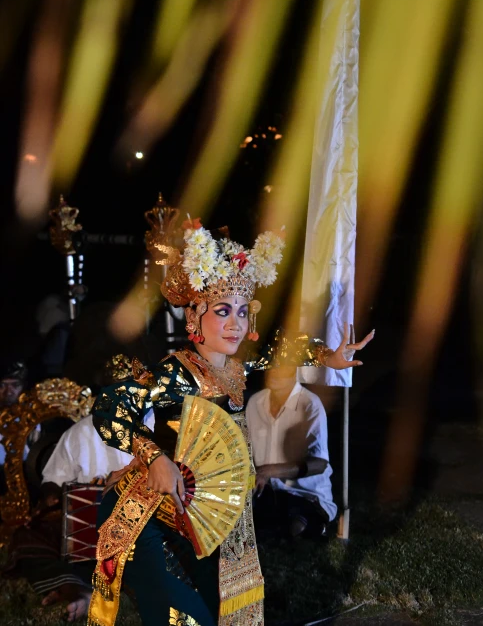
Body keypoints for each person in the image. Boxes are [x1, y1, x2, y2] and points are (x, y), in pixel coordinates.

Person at [88, 218, 373, 626]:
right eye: (223, 311)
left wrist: (328, 355)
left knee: (229, 610)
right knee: (183, 618)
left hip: (200, 517)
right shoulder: (178, 373)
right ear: (195, 316)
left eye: (243, 311)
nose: (236, 323)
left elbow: (282, 349)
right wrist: (154, 457)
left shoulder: (237, 371)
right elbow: (110, 407)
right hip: (146, 514)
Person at [2, 356, 153, 623]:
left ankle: (90, 584)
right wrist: (52, 496)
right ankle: (78, 589)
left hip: (144, 526)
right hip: (90, 528)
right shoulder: (82, 432)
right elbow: (53, 480)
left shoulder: (159, 428)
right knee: (28, 538)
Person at [246, 361, 336, 540]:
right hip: (266, 492)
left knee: (297, 524)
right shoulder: (255, 402)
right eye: (271, 364)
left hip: (305, 494)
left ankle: (306, 525)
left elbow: (319, 464)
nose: (274, 370)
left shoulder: (310, 404)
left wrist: (270, 470)